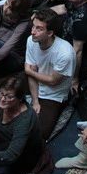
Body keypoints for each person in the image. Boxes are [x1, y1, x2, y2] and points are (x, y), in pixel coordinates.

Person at [25, 8, 76, 139]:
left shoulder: (65, 53)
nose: (33, 32)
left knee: (41, 133)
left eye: (39, 29)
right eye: (33, 26)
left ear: (50, 33)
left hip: (54, 94)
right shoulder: (31, 40)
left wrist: (31, 72)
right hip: (36, 82)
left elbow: (53, 81)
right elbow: (29, 72)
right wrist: (35, 100)